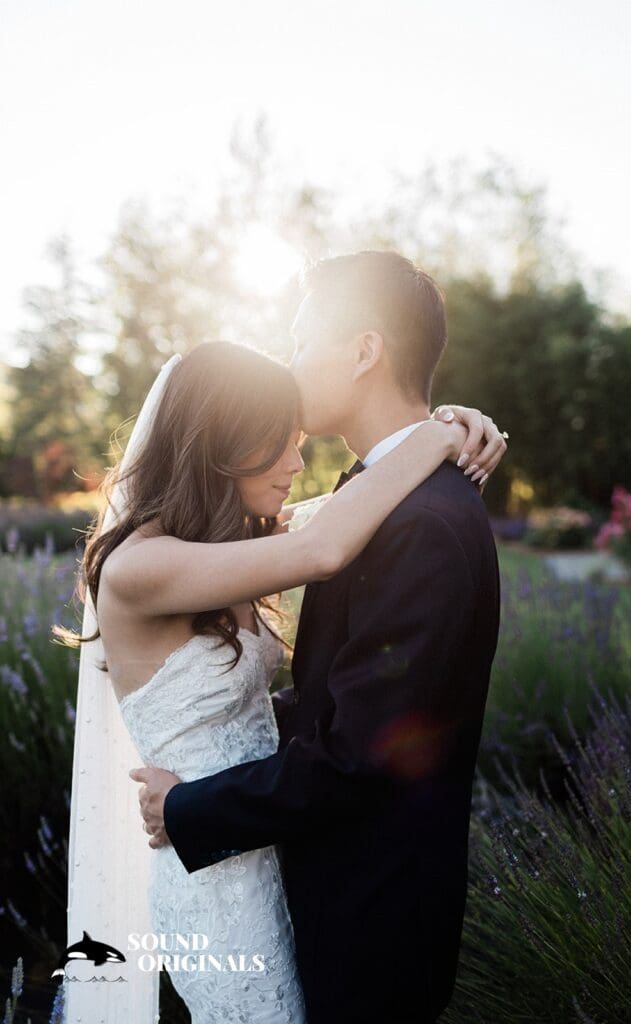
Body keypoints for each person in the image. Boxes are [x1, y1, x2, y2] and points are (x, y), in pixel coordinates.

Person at [59, 295, 506, 1019]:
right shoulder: (141, 569)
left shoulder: (230, 544)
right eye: (278, 442)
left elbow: (353, 509)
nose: (299, 462)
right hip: (214, 874)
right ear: (219, 446)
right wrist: (434, 437)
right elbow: (324, 546)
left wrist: (456, 422)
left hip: (269, 848)